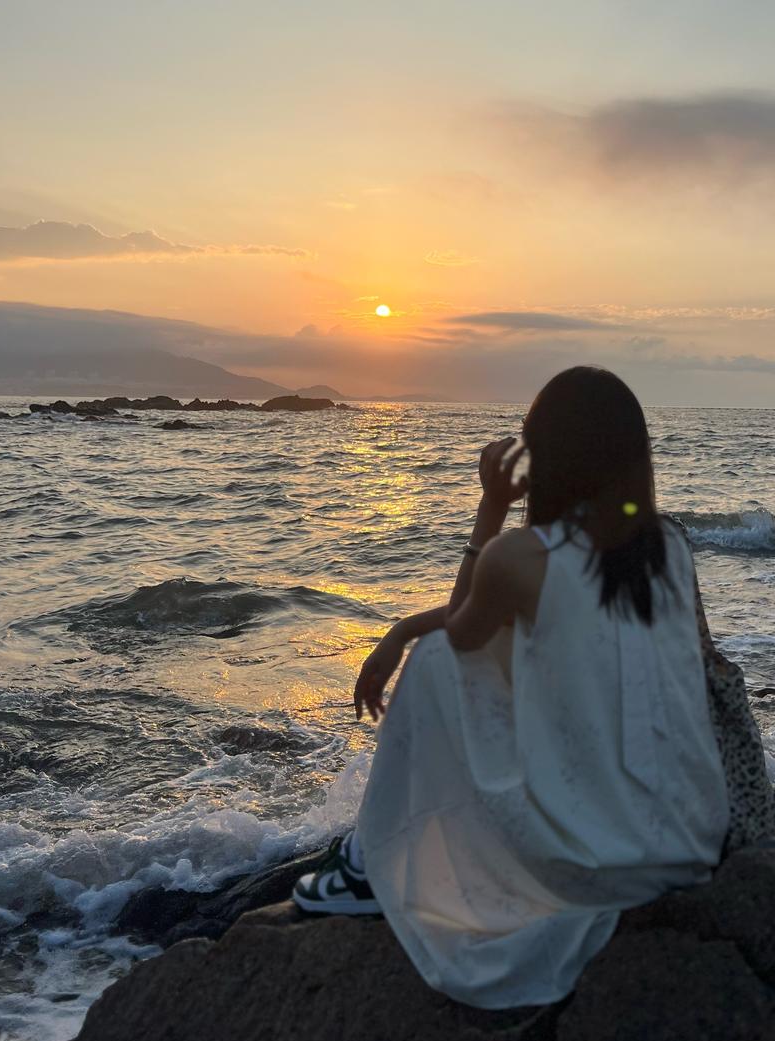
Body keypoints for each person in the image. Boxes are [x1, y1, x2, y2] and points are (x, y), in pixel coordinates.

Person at [292, 366, 731, 1008]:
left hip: (601, 863)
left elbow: (462, 630)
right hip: (687, 840)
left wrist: (490, 509)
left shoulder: (521, 557)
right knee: (494, 641)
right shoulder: (669, 546)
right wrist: (403, 624)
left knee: (439, 658)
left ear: (545, 456)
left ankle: (366, 862)